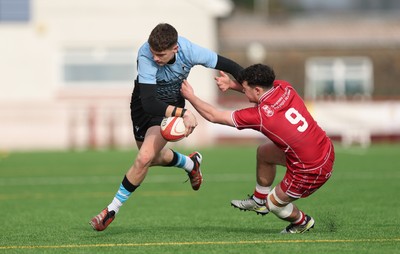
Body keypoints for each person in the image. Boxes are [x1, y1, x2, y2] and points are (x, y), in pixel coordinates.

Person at [89, 23, 243, 231]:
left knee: (144, 158)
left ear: (175, 49)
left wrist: (250, 91)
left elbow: (233, 67)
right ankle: (190, 164)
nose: (155, 58)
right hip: (144, 104)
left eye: (160, 54)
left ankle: (111, 210)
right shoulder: (145, 54)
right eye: (153, 53)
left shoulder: (190, 51)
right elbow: (150, 102)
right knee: (153, 158)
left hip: (170, 108)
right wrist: (185, 113)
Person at [181, 64, 335, 233]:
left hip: (312, 168)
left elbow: (214, 115)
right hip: (323, 147)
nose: (244, 92)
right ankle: (258, 200)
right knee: (264, 153)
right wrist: (232, 85)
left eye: (245, 89)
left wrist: (190, 97)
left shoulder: (263, 116)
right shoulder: (284, 87)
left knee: (274, 205)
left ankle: (302, 222)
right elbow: (258, 91)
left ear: (257, 90)